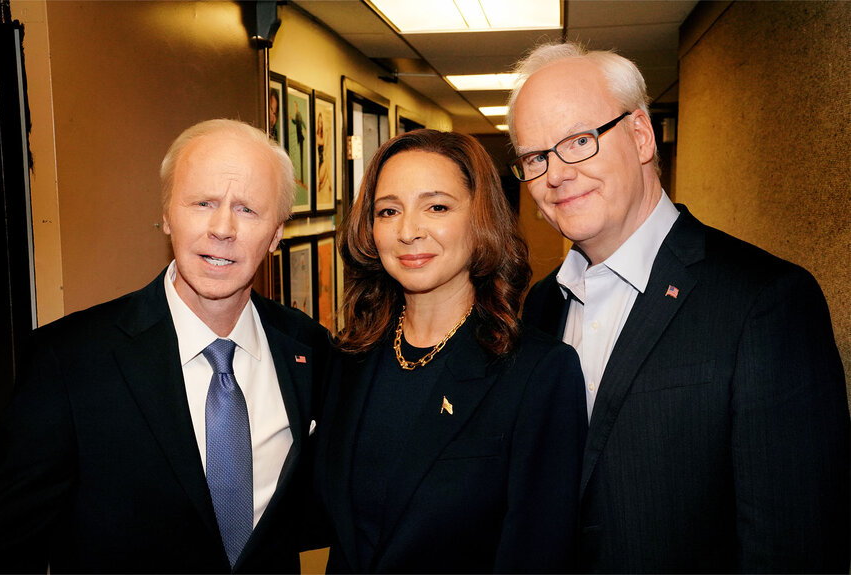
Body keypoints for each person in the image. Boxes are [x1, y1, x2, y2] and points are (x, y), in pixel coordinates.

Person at [507, 41, 850, 572]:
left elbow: (796, 547)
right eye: (535, 157)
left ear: (641, 135)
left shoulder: (766, 302)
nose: (556, 174)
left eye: (578, 141)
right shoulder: (541, 305)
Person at [0, 119, 332, 573]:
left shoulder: (308, 350)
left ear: (275, 235)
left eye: (248, 209)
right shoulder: (68, 361)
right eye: (203, 202)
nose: (222, 227)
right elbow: (8, 551)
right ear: (168, 215)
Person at [314, 129, 587, 573]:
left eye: (436, 207)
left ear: (480, 220)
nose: (407, 231)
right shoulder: (350, 358)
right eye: (388, 211)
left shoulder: (537, 373)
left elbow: (539, 555)